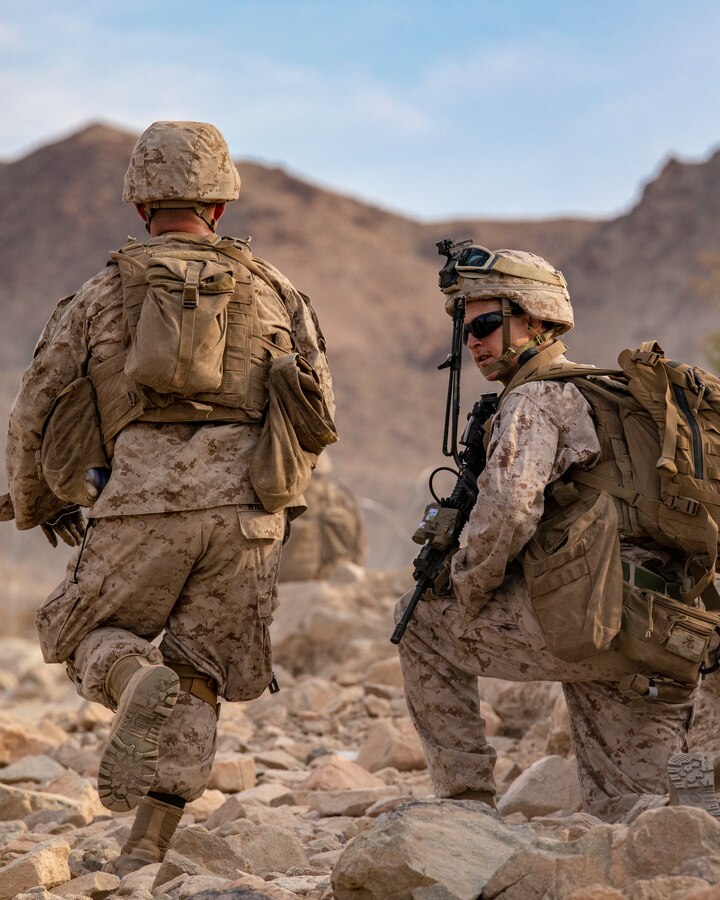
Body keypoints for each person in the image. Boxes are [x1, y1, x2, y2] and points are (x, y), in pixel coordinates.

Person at [4, 121, 334, 874]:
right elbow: (319, 412)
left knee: (80, 632)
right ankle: (147, 848)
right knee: (199, 672)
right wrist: (276, 504)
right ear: (220, 203)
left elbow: (33, 410)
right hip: (248, 513)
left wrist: (39, 500)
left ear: (140, 204)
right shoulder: (277, 291)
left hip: (138, 503)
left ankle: (130, 679)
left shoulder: (100, 292)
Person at [395, 245, 719, 824]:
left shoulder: (534, 398)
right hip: (666, 629)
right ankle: (695, 825)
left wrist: (465, 585)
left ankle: (464, 809)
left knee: (417, 621)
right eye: (466, 329)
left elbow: (508, 512)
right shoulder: (609, 396)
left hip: (592, 620)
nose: (473, 341)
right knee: (630, 808)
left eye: (486, 324)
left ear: (537, 320)